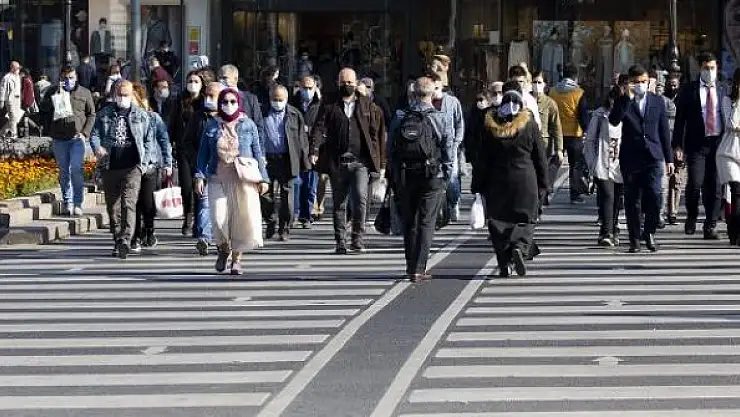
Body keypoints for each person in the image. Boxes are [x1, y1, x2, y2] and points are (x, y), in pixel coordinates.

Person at [473, 82, 547, 277]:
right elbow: (540, 157)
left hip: (496, 181)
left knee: (498, 222)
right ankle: (519, 247)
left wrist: (477, 185)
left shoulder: (490, 127)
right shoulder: (529, 125)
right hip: (525, 180)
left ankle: (504, 263)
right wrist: (544, 184)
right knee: (527, 219)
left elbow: (482, 159)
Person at [310, 67, 386, 254]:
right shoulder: (330, 103)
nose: (347, 85)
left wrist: (381, 163)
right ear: (337, 83)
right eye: (343, 82)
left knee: (360, 198)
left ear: (356, 83)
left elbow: (376, 130)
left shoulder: (365, 104)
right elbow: (319, 127)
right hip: (338, 161)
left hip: (360, 162)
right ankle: (340, 241)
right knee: (339, 203)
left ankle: (357, 239)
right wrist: (315, 149)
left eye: (350, 82)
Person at [194, 88, 270, 275]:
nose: (229, 105)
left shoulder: (248, 125)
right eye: (225, 102)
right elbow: (203, 153)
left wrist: (263, 178)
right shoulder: (212, 125)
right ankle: (223, 248)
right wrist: (199, 176)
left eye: (232, 101)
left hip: (242, 179)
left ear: (238, 103)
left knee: (240, 221)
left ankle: (236, 260)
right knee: (219, 219)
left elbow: (258, 152)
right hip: (217, 178)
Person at [388, 76, 454, 282]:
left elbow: (390, 149)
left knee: (410, 221)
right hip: (432, 175)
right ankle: (419, 268)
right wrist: (447, 175)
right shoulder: (440, 118)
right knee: (426, 221)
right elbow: (448, 148)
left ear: (413, 93)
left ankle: (410, 266)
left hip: (406, 174)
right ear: (433, 94)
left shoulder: (400, 117)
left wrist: (393, 174)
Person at [90, 80, 159, 259]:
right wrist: (97, 148)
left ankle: (125, 240)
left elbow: (149, 139)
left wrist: (143, 164)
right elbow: (94, 134)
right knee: (113, 207)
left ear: (132, 95)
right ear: (114, 94)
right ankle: (117, 237)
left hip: (132, 167)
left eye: (126, 95)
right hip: (110, 166)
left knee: (129, 203)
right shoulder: (105, 113)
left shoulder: (141, 115)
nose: (122, 98)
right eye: (119, 94)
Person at [610, 64, 674, 253]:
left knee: (655, 195)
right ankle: (635, 239)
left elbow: (664, 131)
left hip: (654, 156)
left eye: (643, 81)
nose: (640, 85)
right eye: (636, 82)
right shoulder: (624, 101)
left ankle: (650, 231)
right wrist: (625, 98)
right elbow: (614, 120)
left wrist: (669, 159)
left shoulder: (657, 101)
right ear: (629, 83)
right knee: (632, 200)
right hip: (631, 157)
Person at [673, 52, 727, 240]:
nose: (710, 71)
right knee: (695, 184)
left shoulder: (723, 89)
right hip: (697, 144)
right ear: (700, 68)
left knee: (716, 187)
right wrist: (677, 145)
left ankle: (710, 225)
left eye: (712, 68)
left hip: (718, 144)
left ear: (717, 68)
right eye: (706, 68)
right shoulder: (689, 90)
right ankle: (692, 215)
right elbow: (680, 120)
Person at [40, 66, 95, 216]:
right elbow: (43, 109)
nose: (68, 80)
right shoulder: (53, 91)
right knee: (64, 171)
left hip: (77, 138)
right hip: (59, 138)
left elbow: (91, 114)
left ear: (76, 78)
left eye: (71, 77)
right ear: (60, 78)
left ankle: (77, 203)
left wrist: (85, 133)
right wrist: (56, 94)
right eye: (65, 78)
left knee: (76, 169)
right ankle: (68, 201)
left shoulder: (84, 92)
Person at [261, 84, 310, 241]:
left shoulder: (294, 114)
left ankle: (284, 228)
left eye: (280, 99)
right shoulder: (261, 112)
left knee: (287, 196)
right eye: (274, 99)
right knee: (265, 195)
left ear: (287, 99)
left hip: (287, 159)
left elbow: (302, 140)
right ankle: (270, 220)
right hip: (266, 160)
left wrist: (305, 162)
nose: (277, 102)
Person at [129, 82, 173, 253]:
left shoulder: (153, 118)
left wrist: (168, 163)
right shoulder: (123, 118)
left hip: (150, 167)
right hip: (131, 167)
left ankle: (149, 229)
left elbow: (164, 140)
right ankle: (135, 235)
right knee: (134, 203)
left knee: (147, 203)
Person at [184, 81, 223, 256]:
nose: (208, 99)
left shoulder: (232, 118)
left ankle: (223, 240)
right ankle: (204, 238)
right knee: (204, 203)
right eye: (206, 95)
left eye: (212, 96)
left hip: (226, 169)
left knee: (223, 207)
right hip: (205, 168)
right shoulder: (198, 117)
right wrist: (197, 163)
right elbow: (187, 142)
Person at [585, 86, 624, 247]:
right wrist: (592, 162)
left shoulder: (629, 114)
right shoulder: (600, 115)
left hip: (621, 163)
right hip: (603, 162)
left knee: (617, 199)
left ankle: (612, 227)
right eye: (613, 99)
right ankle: (607, 232)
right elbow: (590, 140)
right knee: (608, 195)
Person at [170, 70, 206, 236]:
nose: (193, 84)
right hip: (184, 148)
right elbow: (173, 123)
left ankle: (199, 219)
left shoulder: (204, 101)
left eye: (196, 81)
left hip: (201, 148)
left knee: (199, 184)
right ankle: (188, 215)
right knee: (186, 185)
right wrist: (171, 142)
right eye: (190, 81)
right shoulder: (179, 100)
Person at [549, 63, 590, 204]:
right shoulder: (579, 93)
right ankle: (575, 195)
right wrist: (586, 131)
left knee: (554, 163)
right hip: (574, 134)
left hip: (556, 133)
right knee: (575, 165)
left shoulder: (553, 92)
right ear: (575, 76)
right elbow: (583, 115)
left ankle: (546, 191)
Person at [429, 72, 465, 221]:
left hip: (450, 146)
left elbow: (459, 123)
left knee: (451, 178)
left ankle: (453, 202)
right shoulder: (426, 102)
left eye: (437, 88)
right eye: (432, 88)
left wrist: (457, 142)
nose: (435, 91)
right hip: (431, 148)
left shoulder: (452, 102)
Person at [290, 75, 323, 226]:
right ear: (299, 86)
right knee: (296, 183)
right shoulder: (292, 103)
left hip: (311, 150)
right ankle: (294, 214)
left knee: (310, 186)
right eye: (305, 88)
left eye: (310, 88)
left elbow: (322, 127)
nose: (307, 91)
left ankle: (306, 216)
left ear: (315, 87)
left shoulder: (320, 105)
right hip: (295, 149)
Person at [532, 71, 564, 205]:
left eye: (539, 82)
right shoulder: (526, 100)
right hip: (528, 144)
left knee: (542, 174)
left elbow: (557, 128)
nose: (536, 85)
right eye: (534, 82)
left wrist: (559, 149)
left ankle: (541, 199)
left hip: (544, 145)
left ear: (545, 84)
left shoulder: (550, 103)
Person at [717, 68, 740, 245]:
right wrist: (738, 101)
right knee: (737, 191)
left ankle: (734, 228)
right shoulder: (727, 100)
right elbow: (731, 123)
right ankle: (735, 232)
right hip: (730, 151)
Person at [663, 73, 683, 225]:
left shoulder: (683, 100)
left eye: (675, 85)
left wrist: (681, 146)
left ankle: (673, 212)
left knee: (676, 180)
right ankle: (661, 210)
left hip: (679, 145)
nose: (672, 87)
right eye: (670, 84)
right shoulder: (661, 101)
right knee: (664, 180)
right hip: (664, 144)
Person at [0, 61, 22, 139]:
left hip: (17, 100)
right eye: (17, 68)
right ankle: (13, 135)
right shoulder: (6, 77)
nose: (19, 69)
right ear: (13, 68)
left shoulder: (18, 77)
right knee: (12, 117)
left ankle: (2, 132)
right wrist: (2, 100)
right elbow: (2, 89)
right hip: (10, 100)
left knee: (15, 118)